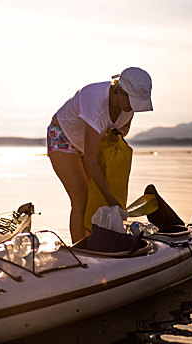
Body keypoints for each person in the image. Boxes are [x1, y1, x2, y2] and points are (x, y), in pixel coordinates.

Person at [47, 67, 153, 244]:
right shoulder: (94, 101)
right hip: (62, 137)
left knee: (94, 202)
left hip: (89, 143)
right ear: (119, 91)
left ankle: (94, 247)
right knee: (81, 199)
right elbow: (91, 160)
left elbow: (124, 127)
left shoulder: (128, 107)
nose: (133, 107)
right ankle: (79, 251)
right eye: (132, 101)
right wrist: (110, 198)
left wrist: (119, 132)